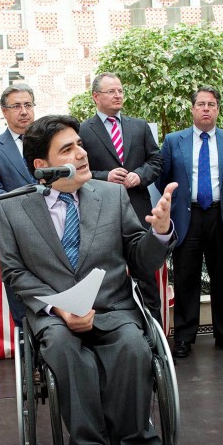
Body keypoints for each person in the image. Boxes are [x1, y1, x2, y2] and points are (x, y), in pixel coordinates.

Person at [0, 114, 177, 445]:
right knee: (63, 350)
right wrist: (60, 309)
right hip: (55, 317)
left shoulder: (110, 196)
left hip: (112, 308)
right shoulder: (12, 210)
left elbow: (140, 259)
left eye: (79, 144)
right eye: (67, 149)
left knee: (133, 346)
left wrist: (159, 233)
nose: (81, 154)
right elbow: (14, 272)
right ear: (41, 167)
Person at [156, 86, 223, 359]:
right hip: (187, 216)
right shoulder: (174, 140)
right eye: (201, 104)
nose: (206, 108)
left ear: (218, 109)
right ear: (192, 109)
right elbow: (162, 179)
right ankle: (184, 337)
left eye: (212, 104)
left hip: (220, 215)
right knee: (185, 278)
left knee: (221, 277)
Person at [79, 72, 164, 324]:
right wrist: (105, 176)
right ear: (96, 97)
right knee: (104, 277)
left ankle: (155, 334)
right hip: (100, 213)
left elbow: (156, 160)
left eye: (120, 91)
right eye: (111, 91)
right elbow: (81, 172)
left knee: (145, 274)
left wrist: (139, 175)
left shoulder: (139, 126)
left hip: (138, 211)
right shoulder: (83, 130)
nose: (118, 95)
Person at [0, 83, 38, 325]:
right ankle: (27, 355)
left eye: (27, 105)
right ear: (4, 112)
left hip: (57, 230)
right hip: (15, 234)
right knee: (21, 306)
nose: (23, 111)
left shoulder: (50, 142)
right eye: (16, 106)